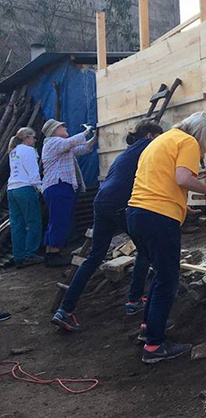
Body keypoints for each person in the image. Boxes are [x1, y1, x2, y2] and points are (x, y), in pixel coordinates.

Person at [127, 112, 206, 364]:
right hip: (158, 217)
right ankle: (154, 346)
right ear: (202, 135)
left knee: (160, 273)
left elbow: (160, 181)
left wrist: (183, 207)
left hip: (136, 213)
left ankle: (147, 329)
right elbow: (183, 178)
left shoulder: (161, 141)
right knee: (168, 278)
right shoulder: (188, 142)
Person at [50, 120, 164, 333]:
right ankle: (133, 300)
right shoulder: (148, 145)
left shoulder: (126, 152)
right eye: (159, 136)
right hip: (120, 203)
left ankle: (65, 309)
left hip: (102, 201)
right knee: (146, 250)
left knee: (94, 257)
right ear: (150, 135)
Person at [40, 119, 97, 267]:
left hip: (59, 186)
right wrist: (86, 132)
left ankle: (51, 253)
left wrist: (94, 138)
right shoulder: (52, 142)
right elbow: (71, 143)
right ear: (53, 131)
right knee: (59, 220)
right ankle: (53, 254)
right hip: (58, 185)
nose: (65, 126)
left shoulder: (60, 146)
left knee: (56, 219)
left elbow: (81, 149)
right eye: (61, 126)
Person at [7, 127, 44, 268]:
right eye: (33, 137)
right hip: (25, 188)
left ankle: (19, 256)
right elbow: (33, 171)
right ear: (27, 138)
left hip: (12, 190)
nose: (35, 140)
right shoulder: (29, 150)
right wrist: (40, 188)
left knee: (17, 224)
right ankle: (30, 254)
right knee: (34, 221)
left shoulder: (13, 151)